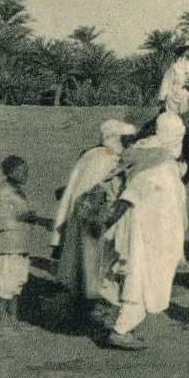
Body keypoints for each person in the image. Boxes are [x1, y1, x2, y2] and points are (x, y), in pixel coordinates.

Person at [99, 113, 188, 351]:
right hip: (148, 231)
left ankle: (122, 322)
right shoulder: (158, 163)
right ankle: (121, 329)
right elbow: (131, 195)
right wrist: (109, 220)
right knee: (141, 277)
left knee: (140, 275)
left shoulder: (151, 154)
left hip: (153, 228)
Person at [51, 120, 136, 318]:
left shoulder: (93, 155)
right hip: (95, 220)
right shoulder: (104, 159)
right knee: (94, 265)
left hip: (86, 218)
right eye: (126, 139)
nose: (129, 143)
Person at [0, 155, 40, 334]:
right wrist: (33, 216)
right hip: (7, 245)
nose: (26, 174)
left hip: (18, 244)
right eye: (21, 171)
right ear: (11, 173)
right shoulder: (5, 192)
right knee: (6, 285)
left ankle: (13, 321)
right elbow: (12, 216)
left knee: (16, 284)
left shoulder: (15, 190)